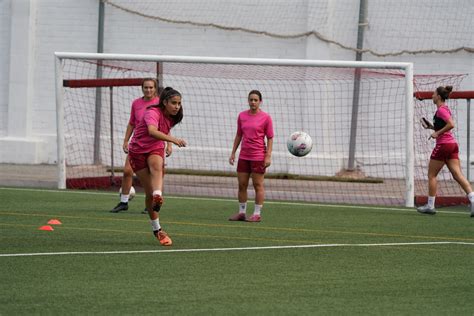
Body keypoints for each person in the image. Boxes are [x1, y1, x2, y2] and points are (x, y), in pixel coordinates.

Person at [128, 87, 186, 245]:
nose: (177, 106)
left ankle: (158, 195)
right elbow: (153, 131)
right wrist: (173, 140)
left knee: (157, 166)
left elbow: (164, 129)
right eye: (173, 103)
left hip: (154, 147)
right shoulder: (152, 112)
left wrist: (168, 144)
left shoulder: (174, 116)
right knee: (148, 192)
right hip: (137, 151)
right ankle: (156, 229)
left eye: (179, 103)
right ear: (164, 102)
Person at [417, 85, 474, 216]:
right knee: (457, 175)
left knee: (431, 175)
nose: (431, 96)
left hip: (444, 145)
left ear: (438, 96)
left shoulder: (442, 110)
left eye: (433, 94)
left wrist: (437, 134)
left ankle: (430, 206)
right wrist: (432, 128)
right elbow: (445, 127)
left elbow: (451, 124)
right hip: (452, 145)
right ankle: (473, 200)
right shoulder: (443, 110)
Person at [110, 78, 159, 213]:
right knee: (127, 171)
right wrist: (126, 140)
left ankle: (150, 203)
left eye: (151, 87)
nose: (148, 90)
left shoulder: (160, 104)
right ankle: (123, 202)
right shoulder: (136, 103)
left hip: (153, 145)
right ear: (142, 88)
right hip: (137, 143)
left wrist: (169, 144)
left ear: (155, 89)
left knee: (151, 174)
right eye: (146, 87)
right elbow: (132, 123)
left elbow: (164, 125)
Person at [228, 90, 274, 222]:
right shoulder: (242, 116)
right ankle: (242, 213)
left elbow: (270, 138)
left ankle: (257, 214)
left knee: (257, 185)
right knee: (242, 185)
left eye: (255, 100)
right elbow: (238, 135)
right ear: (248, 101)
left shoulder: (266, 118)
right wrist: (233, 153)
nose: (253, 102)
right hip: (244, 156)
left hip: (258, 156)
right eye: (251, 100)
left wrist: (268, 156)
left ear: (260, 102)